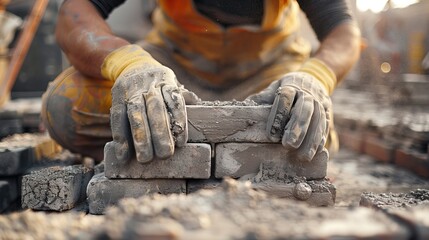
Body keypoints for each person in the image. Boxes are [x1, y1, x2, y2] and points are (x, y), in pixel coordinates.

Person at [42, 0, 361, 163]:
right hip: (171, 63)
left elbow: (344, 31)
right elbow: (76, 13)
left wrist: (314, 77)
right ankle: (167, 160)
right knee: (68, 106)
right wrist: (130, 65)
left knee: (304, 128)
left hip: (268, 73)